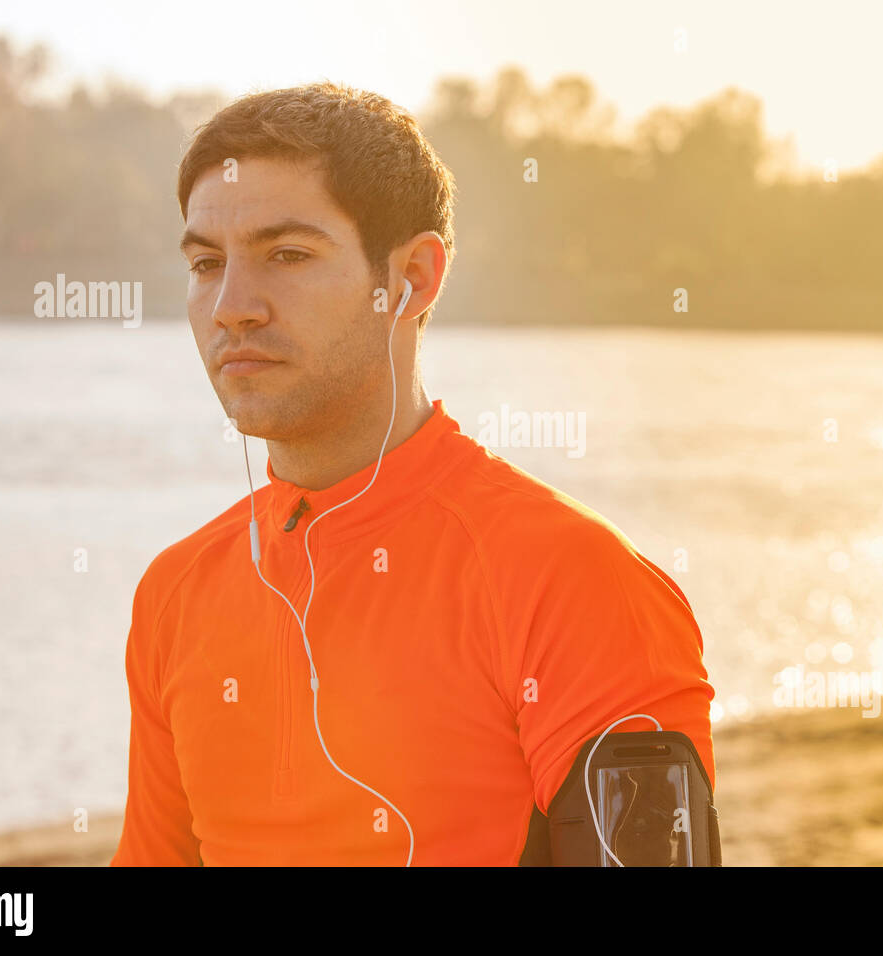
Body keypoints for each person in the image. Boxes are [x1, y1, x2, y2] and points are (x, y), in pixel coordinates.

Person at [110, 82, 715, 866]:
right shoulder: (177, 591)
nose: (232, 306)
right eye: (205, 262)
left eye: (286, 255)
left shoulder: (574, 579)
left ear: (413, 278)